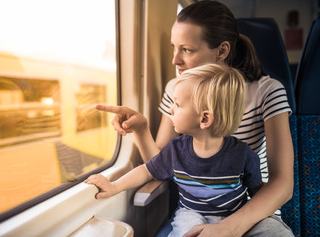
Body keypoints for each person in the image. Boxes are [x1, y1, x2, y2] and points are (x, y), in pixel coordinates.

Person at [94, 0, 294, 237]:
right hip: (196, 212)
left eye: (186, 49)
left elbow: (281, 183)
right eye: (173, 47)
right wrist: (141, 128)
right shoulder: (175, 88)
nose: (174, 60)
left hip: (248, 209)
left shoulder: (267, 91)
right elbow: (162, 163)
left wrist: (228, 229)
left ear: (222, 51)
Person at [86, 64, 264, 236]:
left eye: (178, 105)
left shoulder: (242, 155)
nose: (171, 109)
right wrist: (115, 186)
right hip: (192, 214)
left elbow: (258, 191)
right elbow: (146, 170)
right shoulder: (176, 149)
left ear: (204, 119)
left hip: (234, 217)